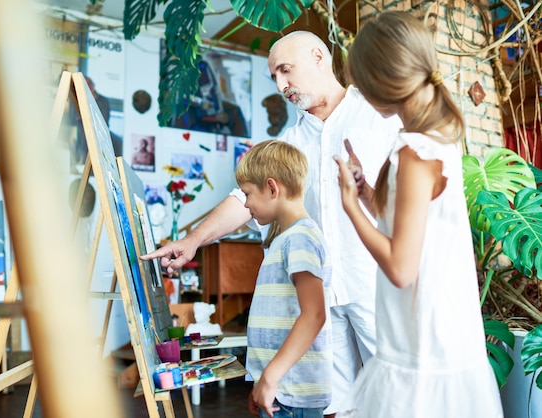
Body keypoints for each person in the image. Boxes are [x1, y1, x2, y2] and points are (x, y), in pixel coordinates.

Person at [141, 30, 402, 416]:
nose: (281, 85)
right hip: (320, 297)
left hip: (376, 287)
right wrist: (195, 240)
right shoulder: (291, 140)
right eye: (275, 76)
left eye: (286, 70)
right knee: (336, 407)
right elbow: (244, 201)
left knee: (398, 397)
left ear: (318, 56)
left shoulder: (379, 117)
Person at [333, 11, 503, 417]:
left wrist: (347, 208)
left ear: (380, 81)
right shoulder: (433, 140)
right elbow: (404, 219)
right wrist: (365, 193)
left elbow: (400, 268)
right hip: (437, 330)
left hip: (423, 340)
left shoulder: (414, 153)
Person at [235, 140, 333, 418]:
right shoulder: (285, 239)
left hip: (292, 392)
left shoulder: (300, 238)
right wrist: (263, 380)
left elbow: (314, 314)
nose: (246, 203)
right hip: (281, 389)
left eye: (247, 194)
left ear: (271, 187)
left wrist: (271, 377)